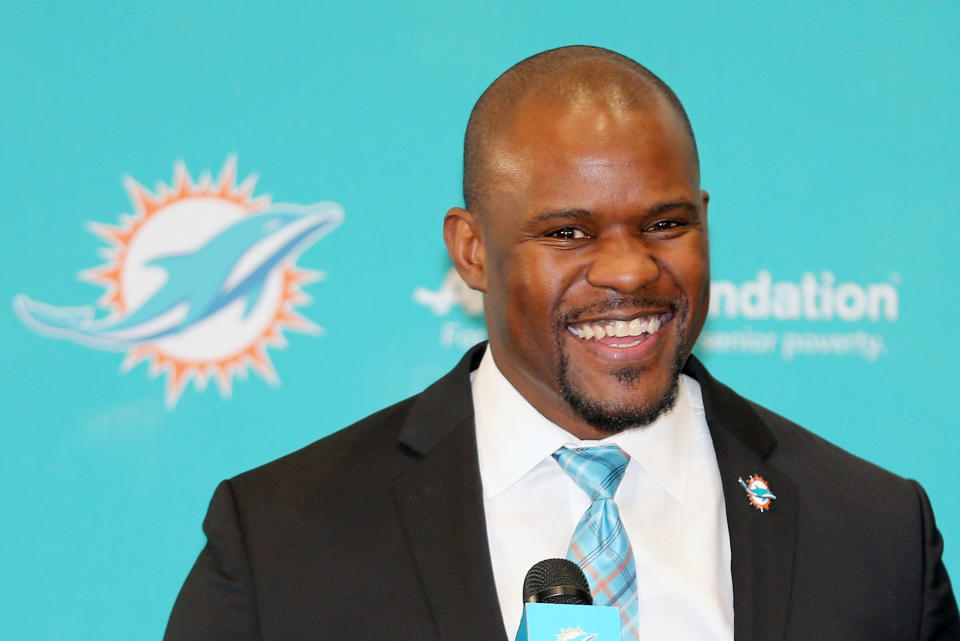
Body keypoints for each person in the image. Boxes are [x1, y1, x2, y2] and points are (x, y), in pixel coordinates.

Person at [164, 46, 959, 641]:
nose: (628, 269)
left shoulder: (873, 531)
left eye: (665, 223)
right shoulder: (282, 538)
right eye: (568, 232)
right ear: (473, 250)